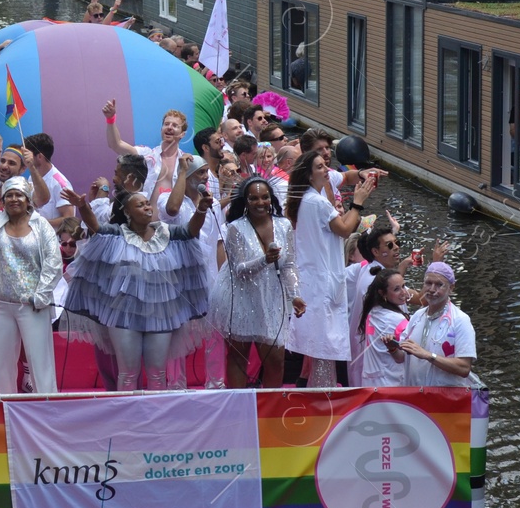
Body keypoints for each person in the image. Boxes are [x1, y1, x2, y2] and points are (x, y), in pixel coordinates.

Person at [62, 183, 214, 391]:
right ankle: (129, 420)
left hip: (160, 314)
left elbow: (191, 230)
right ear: (127, 212)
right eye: (140, 205)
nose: (147, 208)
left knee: (157, 373)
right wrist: (83, 206)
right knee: (128, 373)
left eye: (147, 204)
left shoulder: (167, 233)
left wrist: (202, 209)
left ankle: (156, 420)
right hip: (122, 314)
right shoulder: (116, 234)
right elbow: (95, 227)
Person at [0, 154, 63, 394]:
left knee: (40, 364)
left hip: (31, 305)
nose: (13, 199)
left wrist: (40, 296)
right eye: (9, 195)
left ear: (28, 199)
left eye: (19, 195)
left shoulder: (40, 225)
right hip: (0, 304)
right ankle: (5, 411)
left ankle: (47, 411)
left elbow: (54, 262)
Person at [284, 149, 374, 386]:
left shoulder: (304, 199)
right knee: (324, 346)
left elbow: (343, 178)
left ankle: (321, 390)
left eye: (326, 165)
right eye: (320, 167)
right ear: (309, 175)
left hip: (313, 278)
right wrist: (358, 202)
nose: (326, 169)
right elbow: (345, 229)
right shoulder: (316, 202)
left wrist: (362, 174)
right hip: (322, 282)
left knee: (318, 345)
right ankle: (322, 395)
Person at [211, 176, 303, 387]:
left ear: (271, 199)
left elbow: (289, 264)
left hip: (271, 297)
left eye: (264, 197)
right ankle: (239, 407)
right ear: (245, 200)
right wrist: (265, 260)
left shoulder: (284, 225)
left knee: (276, 359)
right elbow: (239, 270)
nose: (260, 203)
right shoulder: (236, 228)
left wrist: (295, 295)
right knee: (238, 357)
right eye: (253, 198)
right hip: (241, 297)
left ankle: (269, 408)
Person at [386, 262, 475, 387]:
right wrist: (392, 348)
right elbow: (402, 358)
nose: (432, 289)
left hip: (443, 400)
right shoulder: (417, 316)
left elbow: (464, 368)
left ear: (451, 288)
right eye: (428, 283)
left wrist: (428, 355)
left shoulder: (460, 320)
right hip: (415, 398)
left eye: (439, 285)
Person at [351, 268, 410, 386]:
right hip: (392, 384)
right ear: (382, 293)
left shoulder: (372, 312)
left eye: (404, 286)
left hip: (371, 382)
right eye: (397, 289)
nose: (404, 292)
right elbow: (406, 356)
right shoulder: (397, 320)